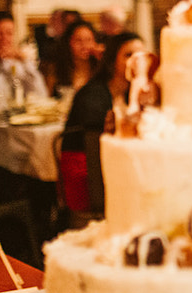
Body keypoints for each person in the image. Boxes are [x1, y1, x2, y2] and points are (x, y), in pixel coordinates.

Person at [61, 31, 145, 214]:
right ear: (112, 59)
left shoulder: (136, 93)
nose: (136, 61)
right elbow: (96, 136)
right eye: (128, 55)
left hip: (117, 163)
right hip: (86, 167)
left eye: (141, 55)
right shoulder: (93, 93)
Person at [43, 18, 100, 98]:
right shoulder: (56, 70)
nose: (84, 46)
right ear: (68, 43)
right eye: (78, 41)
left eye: (89, 40)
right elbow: (46, 99)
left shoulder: (100, 70)